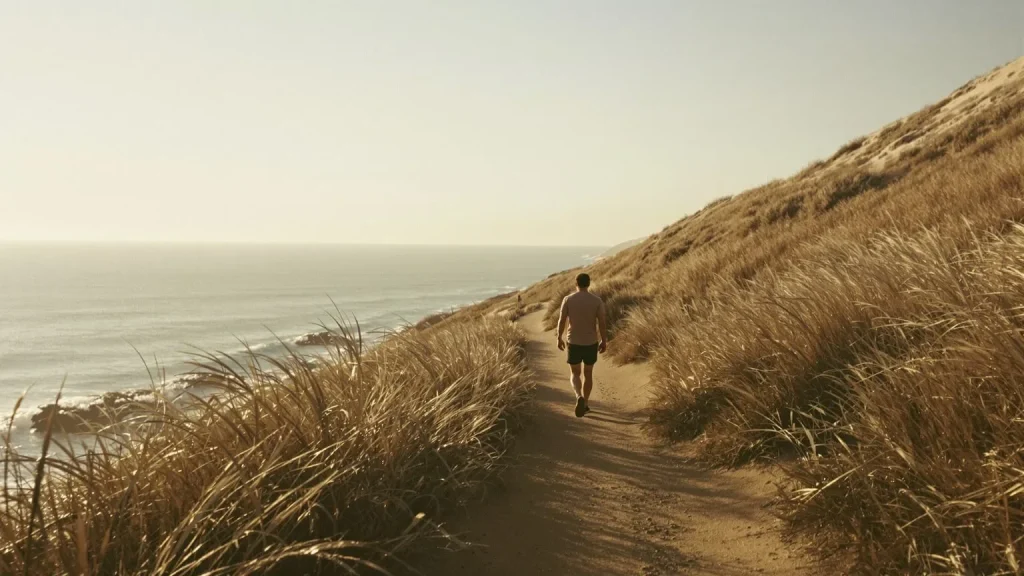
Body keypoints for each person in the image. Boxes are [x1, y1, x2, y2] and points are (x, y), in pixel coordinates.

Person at [556, 273, 608, 417]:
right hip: (590, 342)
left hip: (573, 341)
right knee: (588, 373)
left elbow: (561, 320)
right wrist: (604, 340)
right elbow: (602, 323)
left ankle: (579, 396)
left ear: (576, 283)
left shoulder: (568, 299)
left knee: (575, 373)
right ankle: (585, 404)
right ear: (589, 283)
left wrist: (559, 337)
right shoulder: (597, 301)